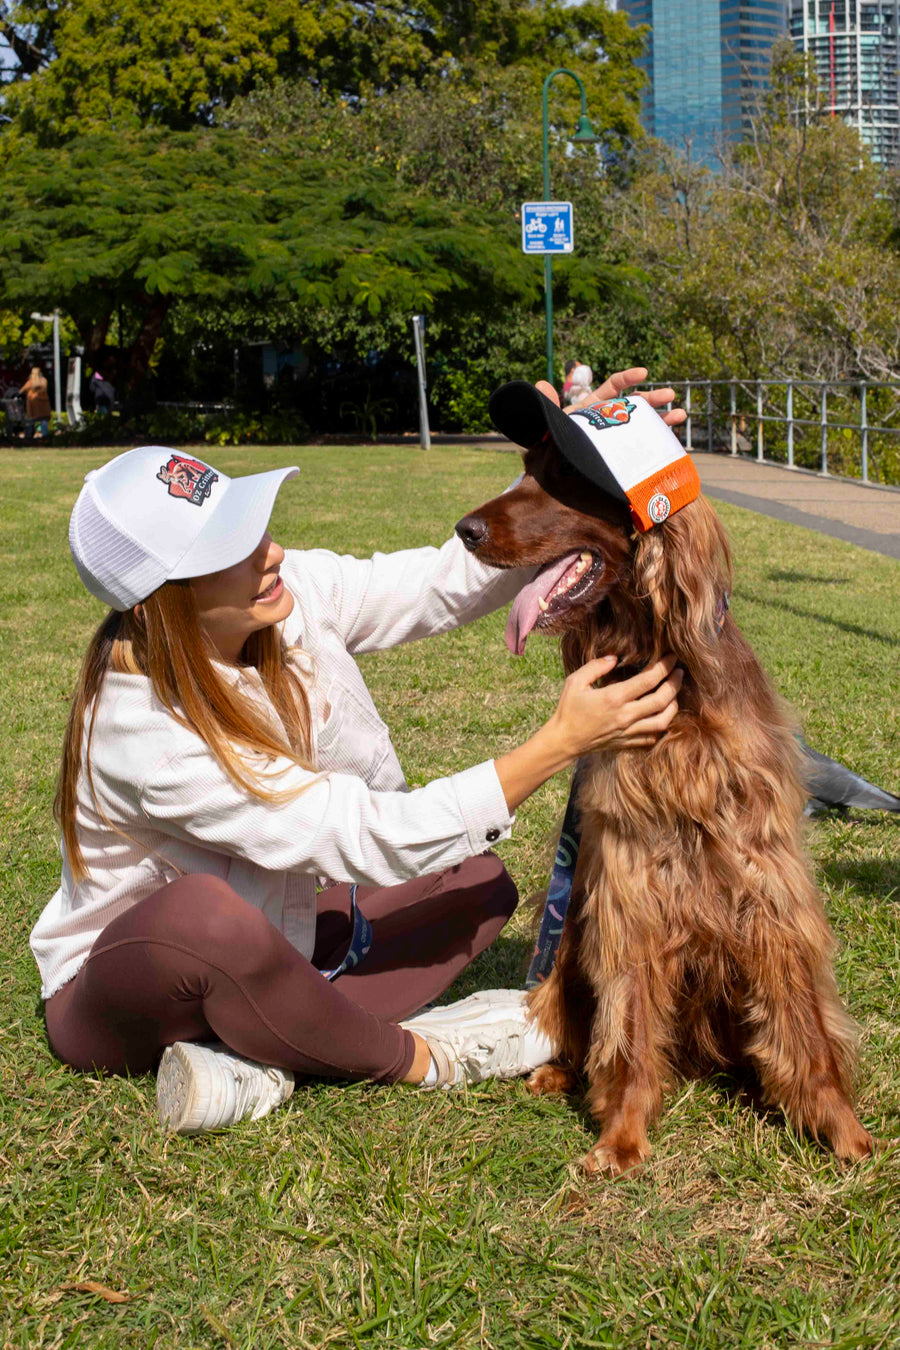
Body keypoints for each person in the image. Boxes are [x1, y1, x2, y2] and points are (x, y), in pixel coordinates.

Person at [32, 369, 685, 1135]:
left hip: (286, 934)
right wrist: (558, 742)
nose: (270, 552)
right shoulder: (140, 731)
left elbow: (436, 583)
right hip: (131, 989)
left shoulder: (285, 595)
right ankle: (425, 1056)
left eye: (255, 527)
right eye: (232, 548)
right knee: (204, 919)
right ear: (162, 601)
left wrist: (563, 458)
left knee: (474, 882)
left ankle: (257, 1055)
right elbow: (351, 832)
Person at [20, 365, 51, 439]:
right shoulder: (44, 380)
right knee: (43, 420)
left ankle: (30, 436)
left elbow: (21, 391)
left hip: (33, 409)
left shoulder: (30, 382)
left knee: (31, 421)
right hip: (44, 408)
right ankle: (45, 435)